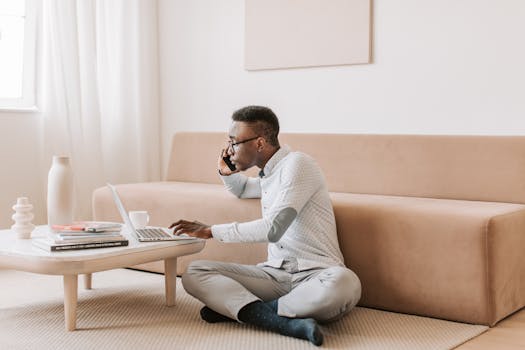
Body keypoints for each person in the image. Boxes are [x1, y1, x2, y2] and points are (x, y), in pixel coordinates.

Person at [169, 106, 361, 346]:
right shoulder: (269, 175)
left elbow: (274, 229)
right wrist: (226, 172)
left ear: (259, 144)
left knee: (346, 282)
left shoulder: (298, 165)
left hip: (317, 275)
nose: (230, 150)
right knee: (195, 273)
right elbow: (242, 189)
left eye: (234, 142)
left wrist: (211, 230)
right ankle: (282, 321)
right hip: (274, 276)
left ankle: (249, 312)